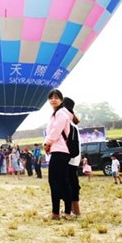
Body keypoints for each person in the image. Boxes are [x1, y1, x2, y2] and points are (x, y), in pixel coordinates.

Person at [43, 88, 73, 220]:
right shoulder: (57, 114)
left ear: (61, 100)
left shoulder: (61, 114)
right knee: (63, 181)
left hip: (59, 150)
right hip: (59, 150)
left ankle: (56, 212)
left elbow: (55, 131)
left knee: (55, 181)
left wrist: (47, 143)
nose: (53, 100)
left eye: (56, 97)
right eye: (51, 97)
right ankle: (66, 211)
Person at [63, 98, 83, 216]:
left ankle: (75, 211)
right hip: (74, 160)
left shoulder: (69, 125)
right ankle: (73, 210)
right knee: (72, 184)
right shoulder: (73, 125)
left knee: (70, 185)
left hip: (69, 159)